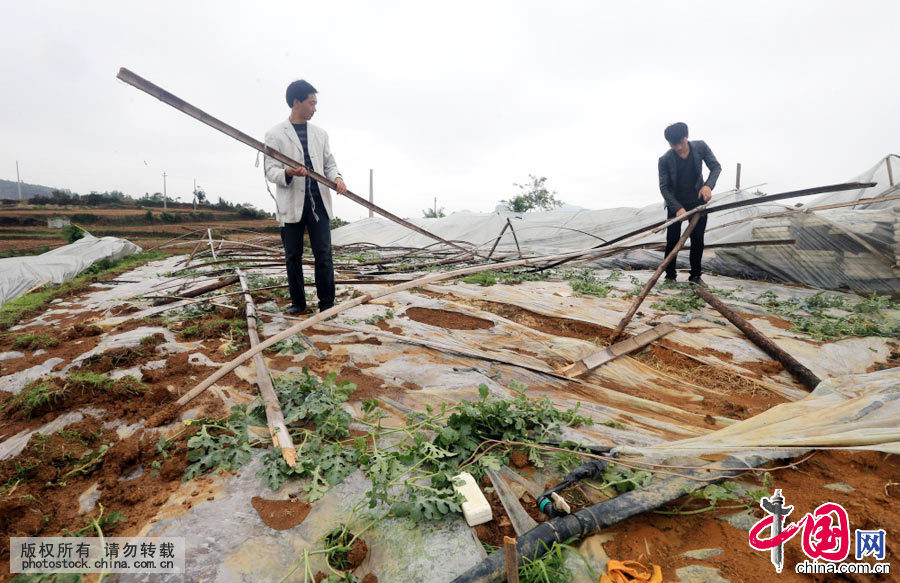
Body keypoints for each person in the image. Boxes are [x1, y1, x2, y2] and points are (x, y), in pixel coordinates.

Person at [264, 80, 348, 314]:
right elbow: (270, 170)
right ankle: (298, 303)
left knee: (323, 254)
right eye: (311, 103)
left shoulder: (320, 134)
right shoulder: (274, 134)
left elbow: (329, 163)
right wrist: (287, 172)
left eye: (315, 103)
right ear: (297, 101)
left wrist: (338, 178)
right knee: (293, 256)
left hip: (318, 201)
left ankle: (327, 303)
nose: (314, 108)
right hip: (291, 202)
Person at [657, 122, 721, 285]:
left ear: (687, 137)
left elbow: (715, 167)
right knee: (672, 241)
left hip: (697, 201)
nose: (678, 147)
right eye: (673, 144)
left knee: (697, 239)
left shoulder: (700, 147)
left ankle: (695, 276)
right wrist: (677, 208)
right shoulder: (665, 159)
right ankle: (670, 277)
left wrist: (708, 185)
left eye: (681, 143)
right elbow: (664, 187)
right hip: (675, 203)